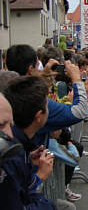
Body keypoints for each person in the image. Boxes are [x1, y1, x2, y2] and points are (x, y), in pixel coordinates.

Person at [1, 78, 58, 210]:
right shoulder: (10, 156)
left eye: (10, 124)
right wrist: (39, 177)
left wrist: (28, 161)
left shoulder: (19, 149)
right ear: (39, 116)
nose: (10, 135)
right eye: (3, 125)